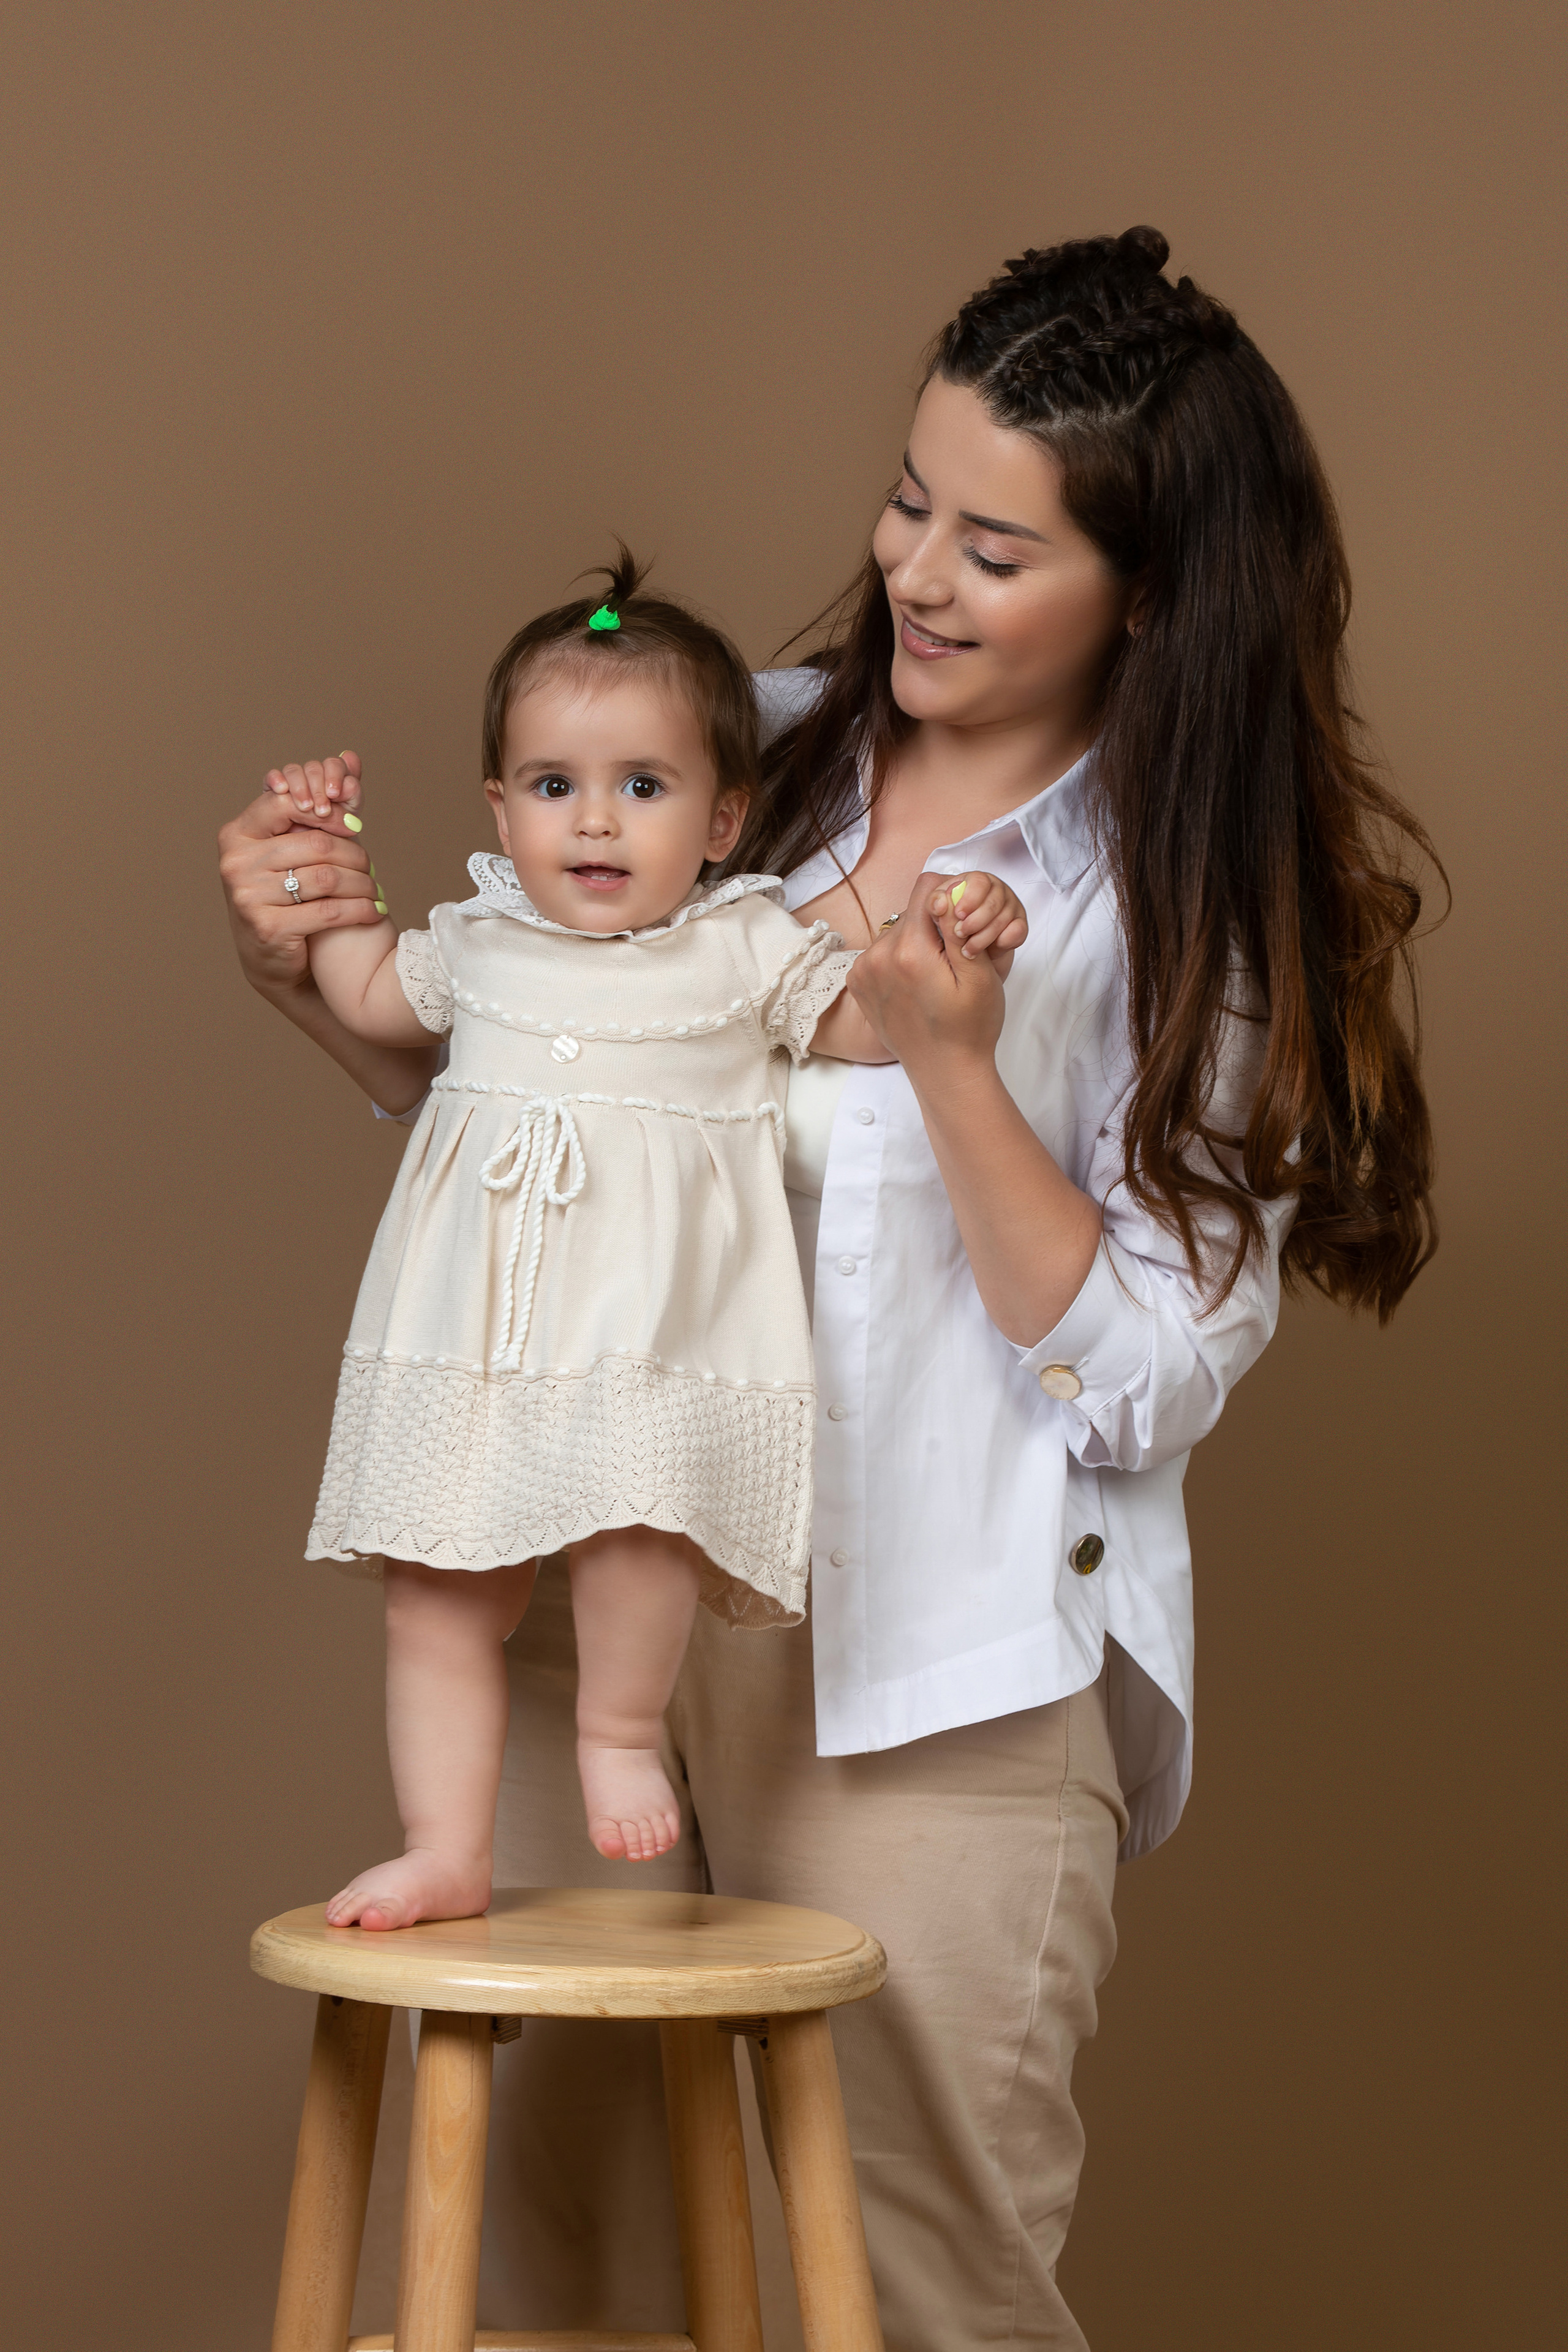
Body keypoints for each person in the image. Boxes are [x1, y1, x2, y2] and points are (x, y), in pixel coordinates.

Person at [220, 229, 1438, 2350]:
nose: (919, 576)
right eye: (908, 500)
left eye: (998, 543)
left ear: (1149, 591)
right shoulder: (729, 759)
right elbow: (532, 1128)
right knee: (544, 2261)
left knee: (923, 2290)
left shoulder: (1194, 919)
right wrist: (304, 969)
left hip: (927, 1673)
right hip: (586, 1566)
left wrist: (956, 1069)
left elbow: (1149, 1380)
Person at [273, 549, 1030, 1915]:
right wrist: (325, 873)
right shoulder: (480, 939)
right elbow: (374, 995)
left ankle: (619, 1732)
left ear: (726, 820)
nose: (597, 825)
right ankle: (447, 1844)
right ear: (501, 815)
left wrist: (943, 951)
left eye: (644, 787)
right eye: (555, 788)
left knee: (643, 1531)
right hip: (478, 1340)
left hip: (651, 1336)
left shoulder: (740, 945)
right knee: (435, 1593)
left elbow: (859, 1025)